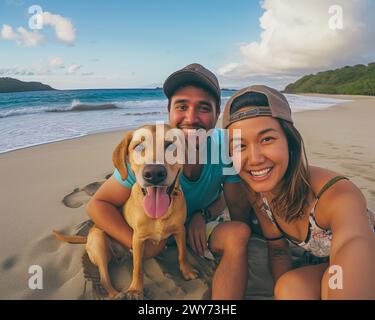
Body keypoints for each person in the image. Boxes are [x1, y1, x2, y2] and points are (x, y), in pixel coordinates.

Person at [87, 63, 251, 299]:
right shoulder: (148, 159)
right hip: (150, 233)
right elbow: (97, 205)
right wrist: (141, 247)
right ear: (170, 112)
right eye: (181, 106)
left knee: (239, 233)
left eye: (204, 108)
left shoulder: (225, 147)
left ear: (217, 115)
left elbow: (234, 204)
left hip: (194, 229)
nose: (191, 118)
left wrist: (202, 215)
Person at [222, 85, 375, 299]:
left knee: (334, 282)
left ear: (290, 142)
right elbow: (278, 250)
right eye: (239, 146)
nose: (255, 158)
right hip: (328, 265)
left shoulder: (335, 195)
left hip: (367, 261)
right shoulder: (258, 194)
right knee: (289, 288)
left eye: (267, 139)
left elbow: (354, 243)